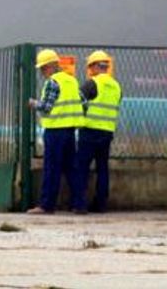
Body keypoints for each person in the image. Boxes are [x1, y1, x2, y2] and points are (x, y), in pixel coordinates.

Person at [26, 48, 83, 214]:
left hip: (54, 131)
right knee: (72, 168)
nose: (42, 72)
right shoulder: (71, 81)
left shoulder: (52, 83)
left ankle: (46, 205)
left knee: (52, 169)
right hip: (70, 130)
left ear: (52, 66)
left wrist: (33, 103)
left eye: (43, 68)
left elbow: (46, 108)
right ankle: (79, 204)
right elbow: (83, 101)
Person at [72, 50, 123, 214]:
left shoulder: (91, 83)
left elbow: (77, 101)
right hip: (107, 132)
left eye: (89, 66)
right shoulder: (116, 86)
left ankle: (80, 204)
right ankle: (101, 204)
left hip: (89, 130)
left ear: (94, 66)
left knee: (81, 168)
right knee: (102, 169)